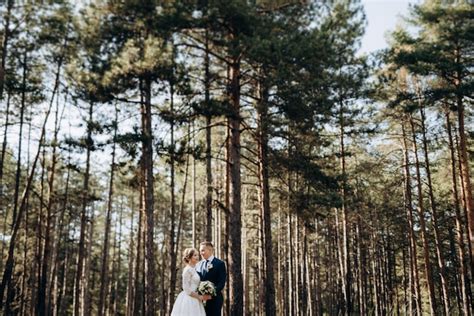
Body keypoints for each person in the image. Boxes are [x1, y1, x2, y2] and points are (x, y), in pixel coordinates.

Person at [171, 248, 207, 316]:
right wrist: (199, 296)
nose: (197, 257)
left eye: (197, 255)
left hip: (196, 298)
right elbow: (186, 288)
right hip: (189, 298)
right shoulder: (187, 270)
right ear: (189, 258)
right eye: (195, 255)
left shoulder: (195, 268)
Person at [196, 241, 227, 316]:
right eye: (200, 251)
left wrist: (211, 293)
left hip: (215, 299)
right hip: (200, 300)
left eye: (203, 250)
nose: (201, 253)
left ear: (210, 250)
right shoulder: (198, 264)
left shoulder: (219, 264)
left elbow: (221, 283)